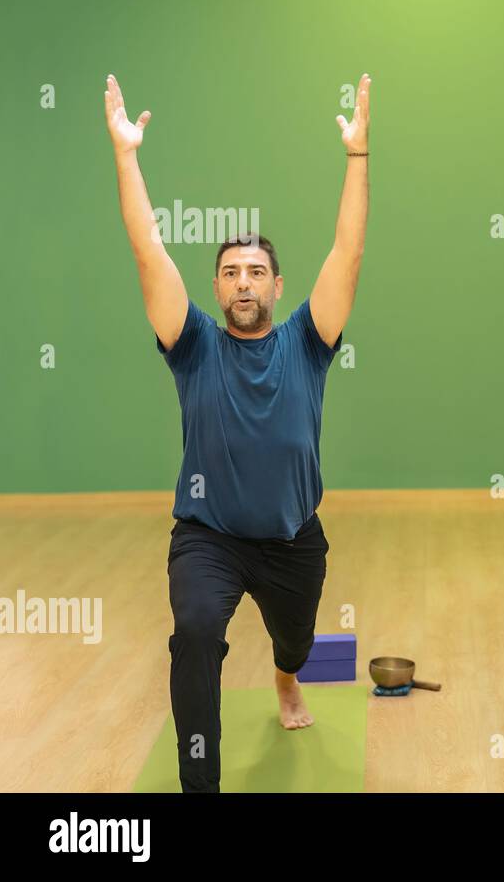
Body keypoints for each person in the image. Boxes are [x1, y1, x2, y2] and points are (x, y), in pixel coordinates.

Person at [104, 72, 371, 790]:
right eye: (230, 272)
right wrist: (127, 156)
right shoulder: (192, 342)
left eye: (257, 270)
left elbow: (346, 254)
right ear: (216, 288)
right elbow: (147, 248)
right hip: (208, 536)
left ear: (278, 286)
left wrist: (357, 158)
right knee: (194, 633)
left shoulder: (307, 341)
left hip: (291, 540)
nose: (244, 281)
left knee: (299, 642)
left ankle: (287, 677)